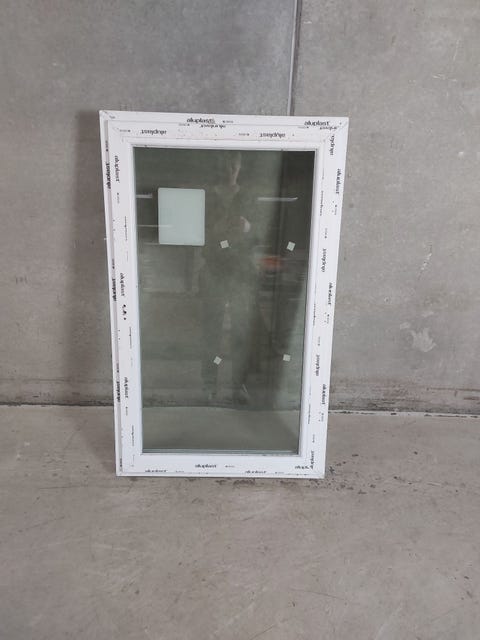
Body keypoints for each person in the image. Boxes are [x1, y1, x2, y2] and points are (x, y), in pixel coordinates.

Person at [199, 151, 257, 404]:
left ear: (240, 165)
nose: (230, 167)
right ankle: (208, 385)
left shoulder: (249, 196)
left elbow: (260, 233)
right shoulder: (208, 196)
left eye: (234, 162)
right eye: (225, 161)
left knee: (241, 330)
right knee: (211, 329)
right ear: (218, 163)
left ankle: (239, 385)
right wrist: (214, 232)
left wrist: (248, 228)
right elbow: (197, 232)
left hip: (241, 272)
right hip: (214, 269)